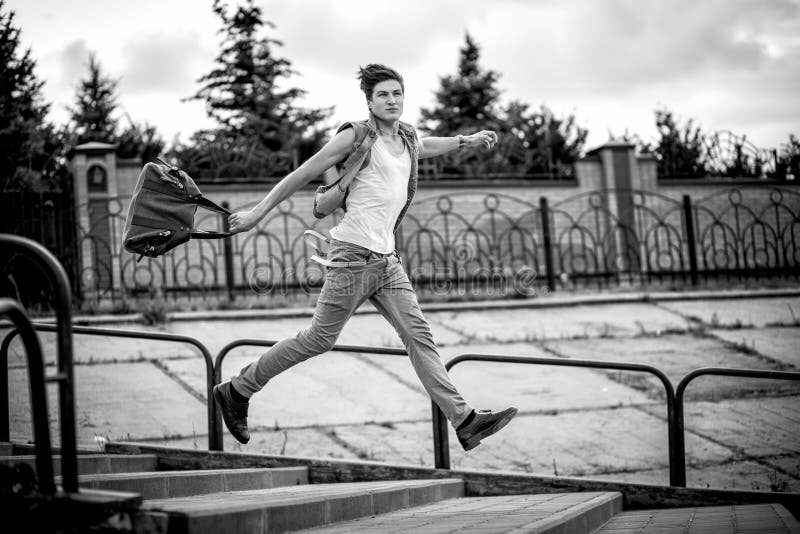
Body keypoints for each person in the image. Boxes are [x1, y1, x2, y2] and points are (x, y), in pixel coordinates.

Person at [213, 64, 516, 452]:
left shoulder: (406, 137)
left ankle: (465, 421)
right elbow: (303, 172)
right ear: (369, 101)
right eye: (383, 95)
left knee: (419, 337)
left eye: (397, 94)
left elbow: (429, 144)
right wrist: (258, 213)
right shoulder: (357, 136)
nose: (392, 101)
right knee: (319, 339)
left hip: (387, 261)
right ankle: (238, 389)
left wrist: (465, 140)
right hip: (353, 255)